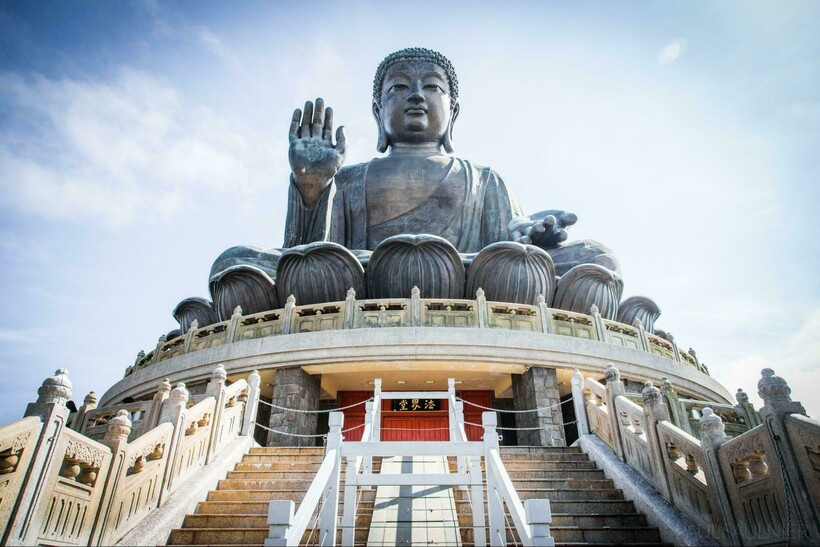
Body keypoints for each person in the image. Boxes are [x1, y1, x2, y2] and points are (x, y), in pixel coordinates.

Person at [283, 47, 617, 275]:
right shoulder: (347, 178)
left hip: (470, 276)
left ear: (452, 113)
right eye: (398, 87)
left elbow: (509, 242)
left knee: (598, 258)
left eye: (431, 86)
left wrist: (530, 238)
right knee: (235, 260)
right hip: (363, 276)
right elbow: (306, 255)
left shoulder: (483, 180)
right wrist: (312, 187)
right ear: (377, 112)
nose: (415, 94)